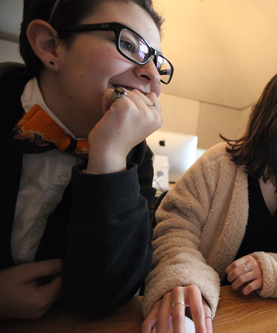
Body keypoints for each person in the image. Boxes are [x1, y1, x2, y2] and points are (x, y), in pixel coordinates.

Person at [141, 67, 277, 333]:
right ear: (275, 109)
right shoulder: (217, 163)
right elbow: (174, 230)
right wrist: (189, 281)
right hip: (214, 317)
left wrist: (271, 269)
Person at [0, 0, 173, 320]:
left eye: (156, 60)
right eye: (129, 44)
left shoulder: (136, 155)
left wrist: (109, 160)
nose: (152, 75)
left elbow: (108, 295)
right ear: (50, 45)